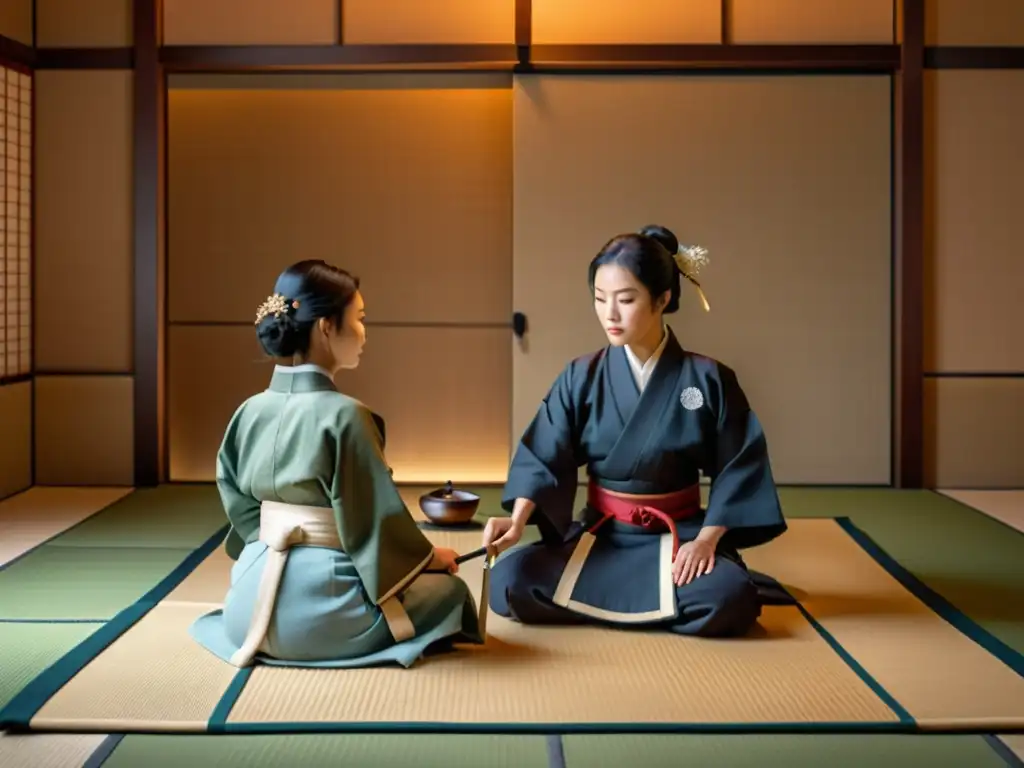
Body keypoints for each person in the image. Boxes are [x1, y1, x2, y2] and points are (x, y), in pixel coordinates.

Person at [482, 225, 788, 637]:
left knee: (730, 597)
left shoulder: (709, 378)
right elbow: (544, 454)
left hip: (677, 537)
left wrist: (707, 542)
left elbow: (739, 467)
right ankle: (655, 609)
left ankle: (607, 603)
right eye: (599, 299)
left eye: (625, 300)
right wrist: (518, 521)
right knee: (508, 581)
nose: (610, 314)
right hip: (602, 535)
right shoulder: (581, 376)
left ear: (663, 299)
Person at [190, 259, 483, 669]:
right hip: (323, 619)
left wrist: (267, 541)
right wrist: (430, 558)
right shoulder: (347, 417)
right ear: (327, 327)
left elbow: (235, 496)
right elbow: (374, 522)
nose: (364, 333)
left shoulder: (248, 411)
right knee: (449, 593)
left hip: (245, 610)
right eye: (359, 319)